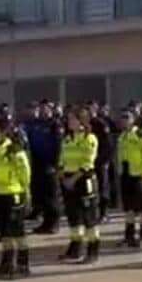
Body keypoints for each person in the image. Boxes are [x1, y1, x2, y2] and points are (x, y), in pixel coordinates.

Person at [0, 112, 32, 280]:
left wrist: (25, 192)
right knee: (5, 232)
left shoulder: (14, 149)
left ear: (3, 131)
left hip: (14, 194)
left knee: (17, 231)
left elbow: (25, 173)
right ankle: (6, 263)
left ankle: (22, 264)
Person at [58, 107, 102, 264]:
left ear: (81, 120)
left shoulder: (89, 138)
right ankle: (75, 248)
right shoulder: (68, 139)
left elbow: (87, 163)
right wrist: (62, 174)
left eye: (72, 119)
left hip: (84, 180)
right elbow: (62, 159)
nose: (69, 122)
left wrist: (73, 179)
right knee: (74, 217)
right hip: (69, 180)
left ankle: (93, 250)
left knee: (89, 218)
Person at [116, 109, 142, 248]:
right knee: (129, 208)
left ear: (133, 119)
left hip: (139, 175)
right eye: (122, 118)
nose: (124, 120)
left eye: (127, 117)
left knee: (141, 208)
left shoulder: (140, 134)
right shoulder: (122, 136)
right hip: (126, 174)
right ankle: (129, 235)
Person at [26, 104, 61, 235]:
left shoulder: (55, 125)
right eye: (42, 110)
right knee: (41, 196)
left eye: (46, 110)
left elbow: (58, 146)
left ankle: (54, 223)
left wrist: (56, 165)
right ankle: (46, 222)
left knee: (51, 196)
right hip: (37, 164)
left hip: (50, 164)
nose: (43, 112)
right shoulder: (36, 124)